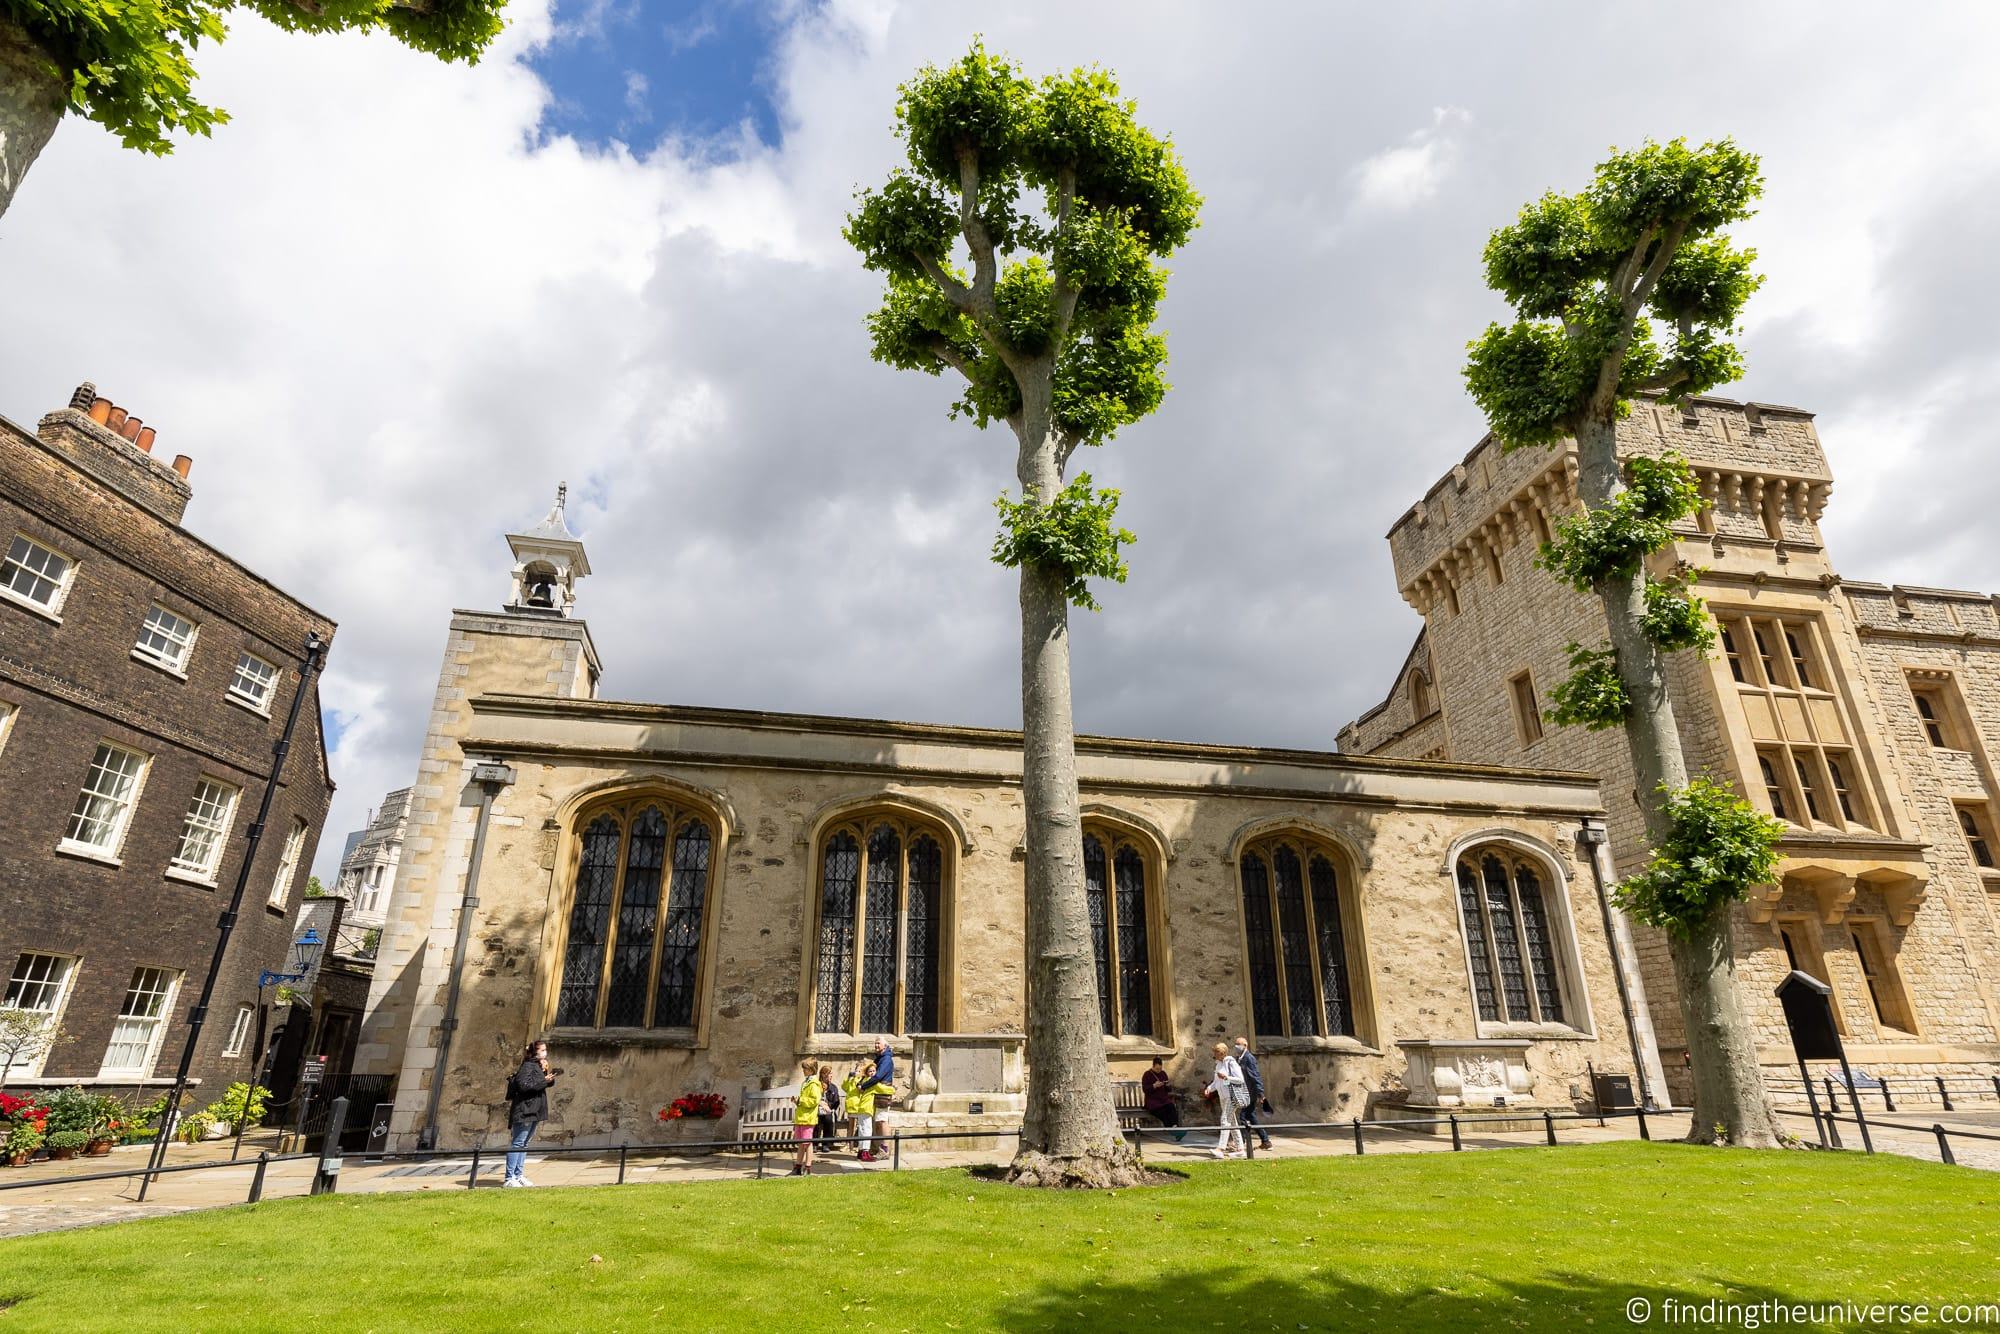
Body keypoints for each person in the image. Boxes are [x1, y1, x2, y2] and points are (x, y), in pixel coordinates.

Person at [503, 1040, 558, 1187]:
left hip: (534, 1109)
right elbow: (523, 1086)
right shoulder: (528, 1066)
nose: (545, 1053)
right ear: (535, 1052)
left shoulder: (538, 1066)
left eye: (545, 1050)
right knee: (518, 1143)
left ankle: (518, 1175)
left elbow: (545, 1084)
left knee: (524, 1144)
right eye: (542, 1050)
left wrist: (547, 1073)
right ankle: (509, 1178)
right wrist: (544, 1081)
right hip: (525, 1109)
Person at [1204, 1041, 1247, 1159]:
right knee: (1232, 1122)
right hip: (1223, 1096)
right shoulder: (1218, 1064)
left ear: (1222, 1053)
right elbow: (1217, 1082)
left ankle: (1220, 1149)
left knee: (1224, 1120)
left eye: (1216, 1052)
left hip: (1231, 1096)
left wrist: (1226, 1077)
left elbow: (1240, 1079)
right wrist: (1209, 1088)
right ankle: (1240, 1150)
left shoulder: (1230, 1062)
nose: (1214, 1055)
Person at [855, 1036, 894, 1162]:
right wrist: (860, 1082)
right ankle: (875, 1148)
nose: (876, 1046)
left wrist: (863, 1086)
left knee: (882, 1120)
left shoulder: (886, 1059)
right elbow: (869, 1072)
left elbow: (877, 1077)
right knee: (877, 1121)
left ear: (885, 1046)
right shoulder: (880, 1058)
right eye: (875, 1043)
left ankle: (885, 1149)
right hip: (876, 1094)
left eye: (878, 1044)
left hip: (882, 1094)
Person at [1233, 1036, 1273, 1151]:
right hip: (1245, 1092)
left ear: (1245, 1046)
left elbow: (1256, 1076)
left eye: (1238, 1044)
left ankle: (1241, 1143)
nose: (1236, 1046)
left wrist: (1261, 1093)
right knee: (1251, 1116)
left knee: (1243, 1117)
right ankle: (1265, 1141)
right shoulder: (1239, 1058)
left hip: (1250, 1093)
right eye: (1236, 1044)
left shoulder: (1249, 1058)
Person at [1141, 1056, 1184, 1143]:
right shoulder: (1147, 1075)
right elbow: (1145, 1089)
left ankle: (1175, 1127)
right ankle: (1175, 1131)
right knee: (1163, 1113)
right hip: (1152, 1102)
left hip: (1164, 1100)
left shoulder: (1163, 1073)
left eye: (1160, 1068)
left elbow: (1168, 1089)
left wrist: (1167, 1086)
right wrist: (1154, 1086)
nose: (1158, 1070)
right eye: (1157, 1069)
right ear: (1153, 1066)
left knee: (1171, 1107)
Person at [791, 1061, 822, 1176]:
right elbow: (806, 1099)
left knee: (807, 1143)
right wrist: (797, 1100)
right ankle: (798, 1166)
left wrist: (801, 1100)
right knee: (800, 1142)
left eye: (805, 1069)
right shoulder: (806, 1082)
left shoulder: (814, 1084)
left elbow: (814, 1100)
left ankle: (808, 1166)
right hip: (801, 1117)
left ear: (811, 1070)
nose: (803, 1070)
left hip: (808, 1118)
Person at [846, 1060, 875, 1162]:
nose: (872, 1073)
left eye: (873, 1071)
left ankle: (860, 1150)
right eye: (870, 1071)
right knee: (867, 1130)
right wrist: (892, 1089)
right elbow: (881, 1088)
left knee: (862, 1130)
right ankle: (865, 1152)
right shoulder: (871, 1082)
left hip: (862, 1108)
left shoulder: (864, 1080)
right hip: (866, 1108)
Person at [815, 1062, 843, 1153]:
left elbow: (836, 1102)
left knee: (828, 1119)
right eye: (828, 1074)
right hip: (817, 1110)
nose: (830, 1076)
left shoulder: (833, 1087)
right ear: (823, 1075)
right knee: (816, 1121)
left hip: (828, 1111)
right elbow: (814, 1098)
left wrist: (829, 1107)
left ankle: (825, 1144)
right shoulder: (817, 1085)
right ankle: (814, 1144)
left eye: (831, 1074)